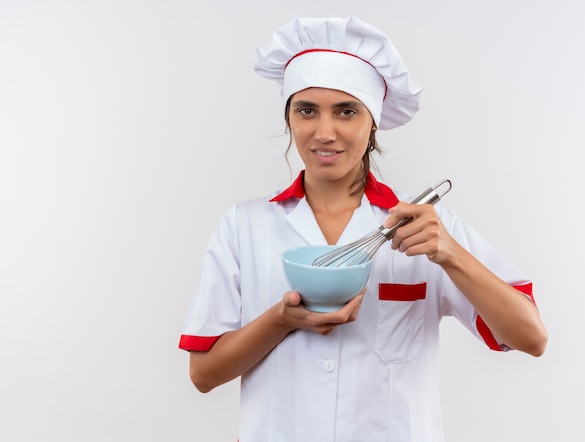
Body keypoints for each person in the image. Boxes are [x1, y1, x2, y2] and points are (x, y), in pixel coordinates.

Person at [178, 16, 548, 442]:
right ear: (289, 120)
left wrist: (450, 253)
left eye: (346, 112)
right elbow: (203, 374)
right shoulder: (243, 227)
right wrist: (282, 320)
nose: (324, 132)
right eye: (307, 111)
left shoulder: (424, 227)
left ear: (373, 122)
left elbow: (531, 337)